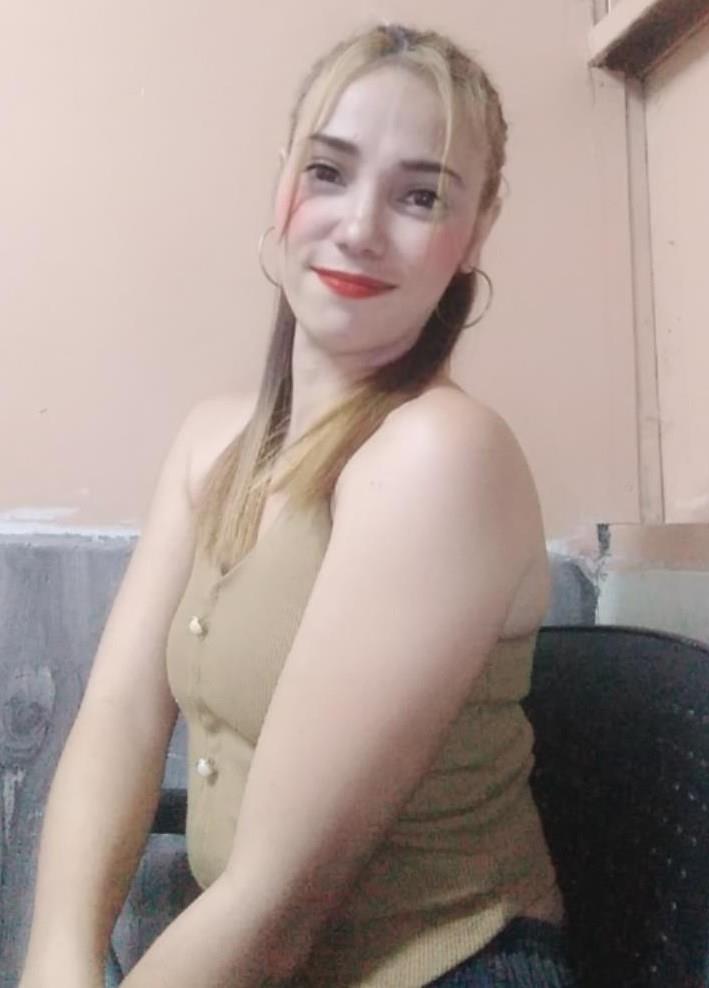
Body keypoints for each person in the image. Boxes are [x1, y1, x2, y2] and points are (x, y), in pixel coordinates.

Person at [20, 22, 576, 988]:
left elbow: (277, 901)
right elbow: (117, 717)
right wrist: (54, 962)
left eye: (419, 195)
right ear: (282, 180)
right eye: (327, 172)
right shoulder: (210, 441)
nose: (359, 227)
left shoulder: (440, 456)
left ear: (476, 230)